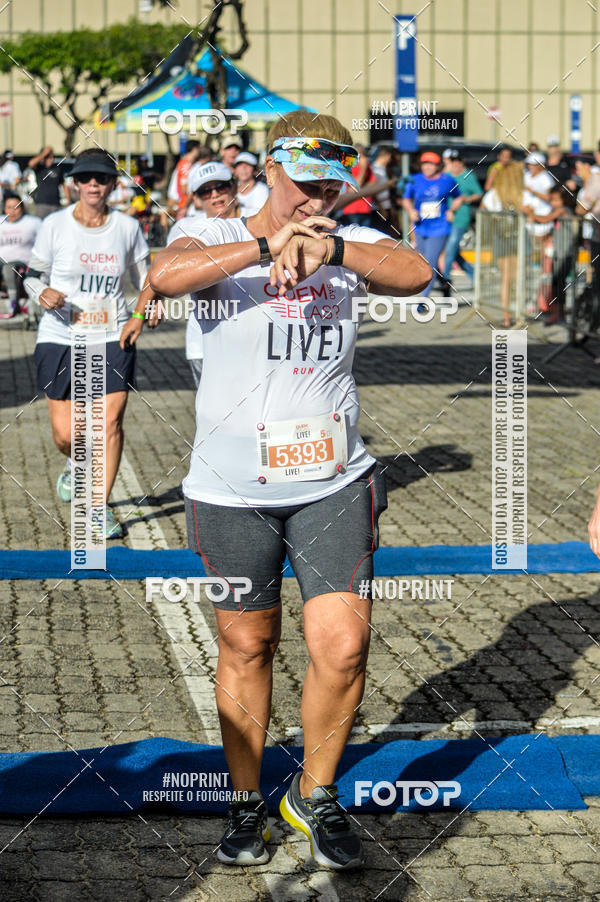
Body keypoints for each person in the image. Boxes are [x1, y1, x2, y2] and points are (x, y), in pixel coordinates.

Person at [149, 111, 431, 870]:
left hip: (334, 480)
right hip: (231, 485)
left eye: (331, 185)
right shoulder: (210, 234)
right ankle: (245, 803)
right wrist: (268, 245)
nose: (318, 197)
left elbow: (418, 273)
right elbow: (163, 278)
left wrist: (330, 246)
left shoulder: (350, 242)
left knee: (342, 647)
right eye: (306, 184)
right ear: (268, 170)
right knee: (249, 641)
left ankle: (314, 795)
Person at [24, 148, 157, 539]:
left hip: (112, 334)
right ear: (75, 184)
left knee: (109, 424)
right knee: (68, 435)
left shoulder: (127, 228)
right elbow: (31, 274)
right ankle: (75, 465)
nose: (93, 185)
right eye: (86, 179)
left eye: (101, 178)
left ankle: (98, 508)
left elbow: (148, 278)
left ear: (113, 184)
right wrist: (41, 292)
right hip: (60, 335)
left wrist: (140, 314)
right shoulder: (54, 225)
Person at [167, 161, 240, 388]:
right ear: (196, 199)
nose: (215, 195)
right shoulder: (185, 228)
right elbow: (169, 274)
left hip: (254, 340)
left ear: (234, 187)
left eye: (221, 187)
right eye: (205, 191)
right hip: (205, 341)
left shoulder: (258, 221)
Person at [401, 150, 462, 296]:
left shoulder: (447, 181)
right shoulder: (414, 180)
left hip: (440, 227)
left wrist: (452, 210)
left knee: (430, 262)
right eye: (424, 164)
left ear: (438, 166)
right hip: (421, 227)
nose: (426, 168)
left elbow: (459, 197)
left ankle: (423, 298)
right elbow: (405, 199)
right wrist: (410, 211)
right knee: (423, 260)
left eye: (430, 165)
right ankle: (445, 283)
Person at [482, 162, 525, 326]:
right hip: (517, 237)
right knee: (517, 277)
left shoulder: (494, 194)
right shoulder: (521, 194)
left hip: (501, 236)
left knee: (505, 279)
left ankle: (507, 317)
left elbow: (484, 208)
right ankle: (518, 316)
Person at [442, 150, 483, 290]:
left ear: (462, 163)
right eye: (452, 162)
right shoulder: (446, 176)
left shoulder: (468, 177)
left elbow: (479, 194)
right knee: (453, 252)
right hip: (446, 217)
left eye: (458, 162)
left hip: (461, 217)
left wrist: (466, 199)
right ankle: (475, 276)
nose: (455, 165)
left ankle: (445, 279)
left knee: (451, 245)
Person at [0, 193, 41, 317]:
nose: (12, 211)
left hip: (23, 263)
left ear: (22, 208)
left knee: (9, 268)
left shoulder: (33, 222)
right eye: (9, 207)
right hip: (2, 262)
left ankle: (13, 305)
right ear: (4, 208)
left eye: (16, 207)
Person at [339, 143, 376, 227]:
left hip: (365, 208)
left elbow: (373, 184)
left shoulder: (368, 167)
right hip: (352, 209)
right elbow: (356, 186)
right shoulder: (350, 166)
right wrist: (363, 169)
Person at [28, 147, 64, 218]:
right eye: (48, 157)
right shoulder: (40, 168)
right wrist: (44, 153)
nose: (50, 159)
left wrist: (68, 199)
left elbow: (63, 184)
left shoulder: (57, 168)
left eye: (52, 157)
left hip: (56, 203)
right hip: (42, 203)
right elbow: (31, 163)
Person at [234, 151, 270, 217]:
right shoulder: (231, 190)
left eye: (248, 165)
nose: (243, 168)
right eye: (240, 165)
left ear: (255, 170)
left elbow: (262, 216)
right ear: (235, 170)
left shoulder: (262, 189)